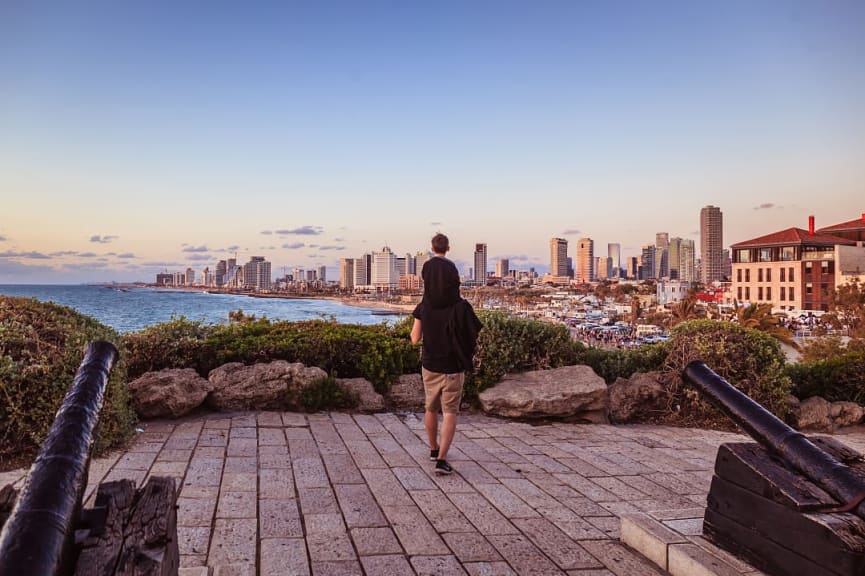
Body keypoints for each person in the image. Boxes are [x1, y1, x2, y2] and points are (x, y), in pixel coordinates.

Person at [410, 233, 481, 475]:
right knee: (450, 411)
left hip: (430, 363)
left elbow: (414, 338)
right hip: (453, 365)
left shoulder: (424, 307)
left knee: (430, 408)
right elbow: (473, 333)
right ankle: (442, 460)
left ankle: (432, 448)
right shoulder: (461, 307)